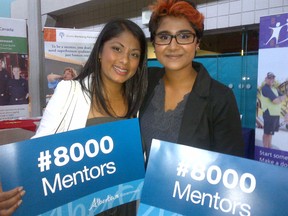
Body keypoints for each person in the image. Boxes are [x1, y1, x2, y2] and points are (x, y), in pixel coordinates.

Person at [0, 18, 148, 216]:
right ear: (99, 52)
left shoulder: (138, 103)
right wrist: (6, 183)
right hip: (79, 207)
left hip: (123, 205)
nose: (124, 60)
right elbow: (38, 149)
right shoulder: (70, 91)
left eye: (134, 54)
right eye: (117, 49)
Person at [139, 0, 245, 160]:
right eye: (164, 36)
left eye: (184, 36)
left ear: (197, 43)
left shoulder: (220, 97)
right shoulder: (145, 82)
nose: (173, 46)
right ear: (154, 43)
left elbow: (230, 165)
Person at [260, 72, 287, 148]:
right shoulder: (265, 89)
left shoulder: (274, 89)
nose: (271, 80)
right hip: (269, 114)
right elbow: (276, 101)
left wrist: (279, 98)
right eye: (269, 78)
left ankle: (269, 147)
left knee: (270, 133)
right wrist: (279, 99)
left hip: (275, 114)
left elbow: (283, 97)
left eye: (272, 78)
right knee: (267, 133)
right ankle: (265, 149)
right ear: (266, 79)